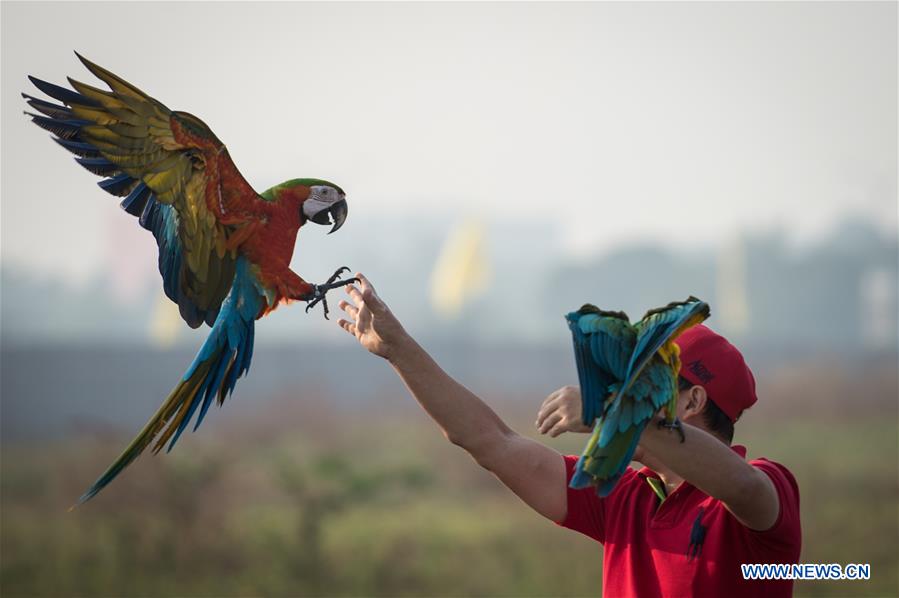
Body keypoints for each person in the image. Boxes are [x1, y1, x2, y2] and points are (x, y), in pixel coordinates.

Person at [335, 274, 801, 597]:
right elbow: (491, 442)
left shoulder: (762, 489)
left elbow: (738, 483)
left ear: (693, 402)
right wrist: (398, 350)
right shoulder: (620, 494)